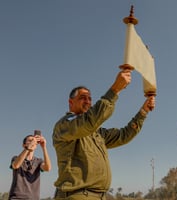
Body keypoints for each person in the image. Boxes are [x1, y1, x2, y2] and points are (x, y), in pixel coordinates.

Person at [52, 69, 156, 200]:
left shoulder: (97, 133)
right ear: (71, 103)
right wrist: (115, 89)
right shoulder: (65, 125)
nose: (88, 101)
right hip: (77, 195)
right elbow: (90, 120)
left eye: (90, 99)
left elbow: (123, 135)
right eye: (83, 98)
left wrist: (143, 112)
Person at [9, 132, 52, 200]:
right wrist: (28, 148)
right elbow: (16, 165)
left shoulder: (38, 161)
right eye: (30, 140)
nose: (32, 142)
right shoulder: (15, 158)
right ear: (24, 145)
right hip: (16, 198)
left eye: (34, 140)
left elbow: (48, 168)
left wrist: (44, 147)